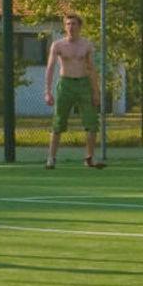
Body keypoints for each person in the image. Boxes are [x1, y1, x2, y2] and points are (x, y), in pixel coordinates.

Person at [44, 13, 104, 170]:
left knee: (92, 123)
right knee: (58, 123)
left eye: (74, 24)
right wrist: (48, 91)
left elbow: (91, 69)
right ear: (65, 26)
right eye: (68, 24)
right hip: (65, 85)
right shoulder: (57, 45)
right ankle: (51, 158)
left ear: (80, 26)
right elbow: (50, 68)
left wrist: (96, 92)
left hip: (84, 84)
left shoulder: (87, 45)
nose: (71, 27)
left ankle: (89, 158)